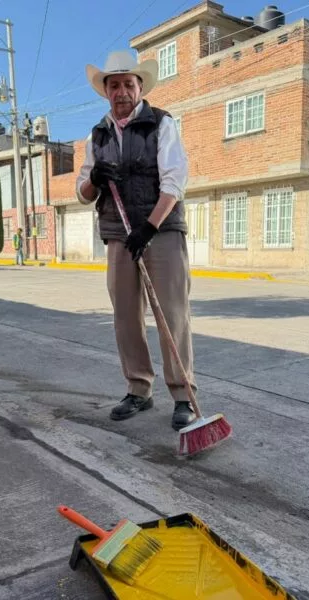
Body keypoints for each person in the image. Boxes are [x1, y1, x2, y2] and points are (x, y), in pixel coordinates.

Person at [75, 50, 196, 432]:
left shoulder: (161, 124)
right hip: (117, 235)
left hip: (159, 231)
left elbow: (175, 180)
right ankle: (139, 389)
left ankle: (183, 395)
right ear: (106, 91)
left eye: (129, 84)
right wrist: (95, 177)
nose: (122, 91)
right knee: (126, 317)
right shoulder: (97, 135)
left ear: (140, 87)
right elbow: (82, 192)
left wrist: (150, 227)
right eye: (114, 85)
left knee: (171, 315)